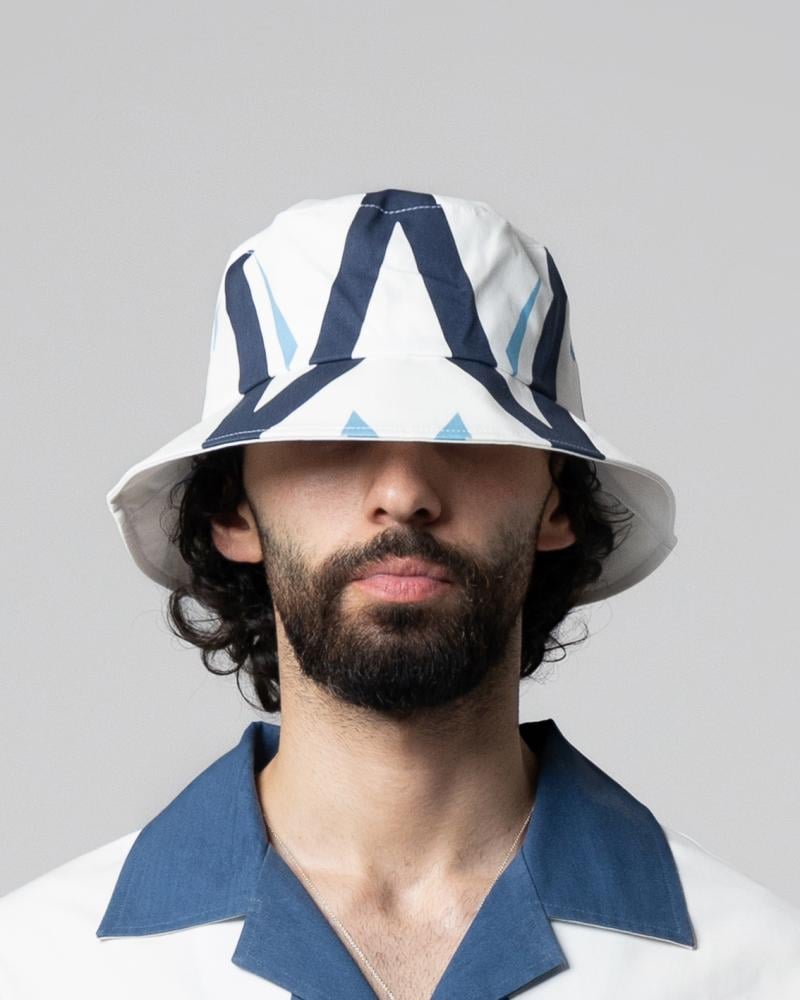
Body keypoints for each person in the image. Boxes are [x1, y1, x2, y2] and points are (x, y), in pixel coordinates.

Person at [1, 189, 798, 999]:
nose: (404, 492)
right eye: (335, 436)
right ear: (232, 511)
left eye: (471, 434)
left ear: (557, 502)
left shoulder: (758, 969)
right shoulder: (41, 969)